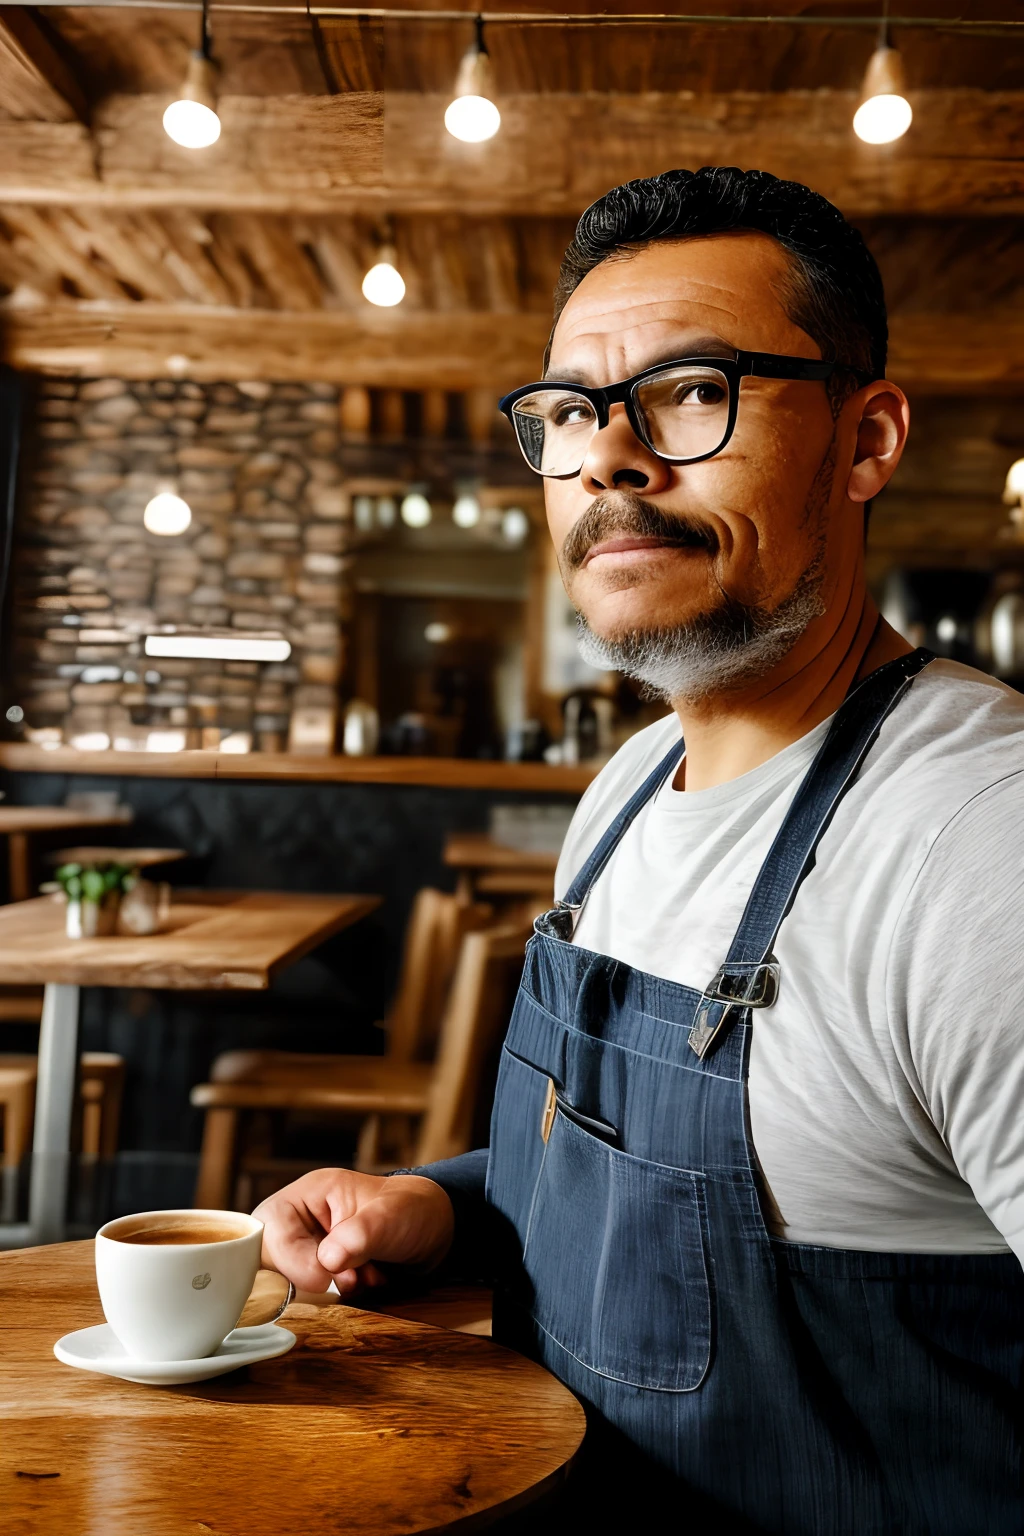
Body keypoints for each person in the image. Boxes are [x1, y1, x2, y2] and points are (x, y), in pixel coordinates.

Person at [257, 168, 1024, 1533]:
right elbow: (661, 1205)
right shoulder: (621, 794)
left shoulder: (977, 846)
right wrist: (444, 1205)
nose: (609, 456)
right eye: (569, 413)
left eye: (690, 390)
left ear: (867, 441)